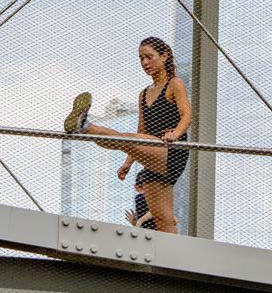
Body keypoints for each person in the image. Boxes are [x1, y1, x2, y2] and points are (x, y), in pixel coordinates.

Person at [63, 36, 191, 235]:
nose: (145, 63)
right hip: (151, 155)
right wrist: (128, 163)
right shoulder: (143, 94)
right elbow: (142, 133)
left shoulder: (175, 84)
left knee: (124, 139)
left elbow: (187, 115)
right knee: (163, 219)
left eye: (149, 57)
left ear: (164, 56)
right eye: (141, 58)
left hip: (171, 149)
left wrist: (176, 133)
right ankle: (175, 260)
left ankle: (84, 126)